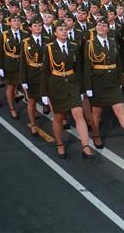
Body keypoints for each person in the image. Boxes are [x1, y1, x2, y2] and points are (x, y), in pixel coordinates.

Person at [40, 23, 94, 159]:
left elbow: (78, 69)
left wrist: (81, 89)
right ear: (55, 33)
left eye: (65, 30)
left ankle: (85, 146)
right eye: (60, 30)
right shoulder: (50, 48)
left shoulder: (74, 47)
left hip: (72, 83)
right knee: (58, 117)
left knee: (78, 114)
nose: (64, 32)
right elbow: (46, 71)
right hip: (56, 85)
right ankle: (59, 144)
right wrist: (44, 93)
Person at [85, 20, 124, 149]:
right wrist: (88, 87)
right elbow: (87, 67)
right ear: (95, 28)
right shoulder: (90, 44)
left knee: (120, 111)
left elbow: (119, 63)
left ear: (108, 29)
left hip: (113, 82)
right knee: (97, 114)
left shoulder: (112, 42)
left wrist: (121, 82)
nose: (101, 27)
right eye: (99, 25)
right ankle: (96, 135)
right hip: (98, 82)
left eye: (104, 25)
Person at [0, 14, 27, 120]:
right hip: (10, 64)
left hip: (22, 64)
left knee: (26, 86)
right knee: (11, 87)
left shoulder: (25, 34)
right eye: (14, 20)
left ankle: (33, 109)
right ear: (9, 22)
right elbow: (0, 51)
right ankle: (12, 108)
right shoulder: (5, 35)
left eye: (18, 20)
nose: (16, 22)